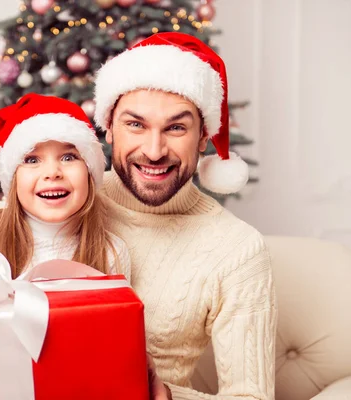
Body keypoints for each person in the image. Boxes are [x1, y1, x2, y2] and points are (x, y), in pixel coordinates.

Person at [93, 32, 277, 399]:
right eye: (136, 124)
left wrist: (164, 395)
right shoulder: (66, 203)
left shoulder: (237, 249)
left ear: (204, 136)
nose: (154, 150)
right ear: (109, 127)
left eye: (176, 127)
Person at [0, 93, 130, 290]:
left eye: (68, 157)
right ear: (13, 178)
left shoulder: (110, 252)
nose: (52, 173)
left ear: (89, 171)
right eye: (32, 159)